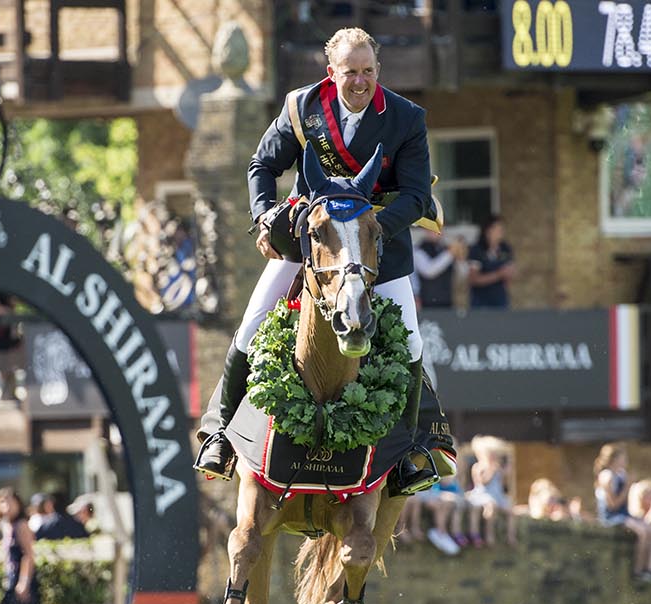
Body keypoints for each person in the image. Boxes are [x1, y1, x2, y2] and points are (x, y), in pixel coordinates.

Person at [193, 26, 455, 495]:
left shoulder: (406, 117)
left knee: (412, 340)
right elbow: (262, 166)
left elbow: (416, 195)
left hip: (379, 243)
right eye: (351, 72)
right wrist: (265, 217)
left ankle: (413, 453)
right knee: (253, 321)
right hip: (312, 241)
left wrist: (367, 231)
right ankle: (219, 435)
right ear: (331, 72)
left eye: (368, 71)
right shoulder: (302, 107)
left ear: (378, 70)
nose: (361, 81)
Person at [593, 443, 651, 583]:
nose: (626, 461)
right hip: (611, 516)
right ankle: (638, 571)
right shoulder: (606, 476)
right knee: (643, 532)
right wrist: (627, 487)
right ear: (614, 459)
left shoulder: (621, 474)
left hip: (623, 514)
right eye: (623, 458)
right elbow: (613, 505)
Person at [466, 215, 516, 309]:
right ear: (488, 231)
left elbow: (509, 277)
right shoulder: (477, 250)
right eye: (497, 229)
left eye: (502, 229)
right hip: (481, 304)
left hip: (501, 302)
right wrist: (499, 274)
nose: (501, 233)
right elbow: (473, 279)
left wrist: (509, 273)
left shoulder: (505, 249)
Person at [410, 227, 465, 308]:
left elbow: (463, 273)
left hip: (447, 301)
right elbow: (429, 271)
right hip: (426, 302)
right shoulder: (418, 249)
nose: (436, 232)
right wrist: (450, 253)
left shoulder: (445, 248)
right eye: (432, 228)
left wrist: (460, 258)